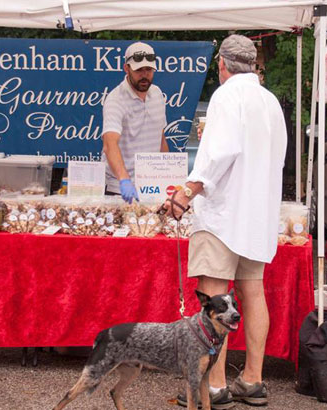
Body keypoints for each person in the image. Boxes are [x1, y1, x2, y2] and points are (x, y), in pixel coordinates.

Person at [163, 34, 287, 408]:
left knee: (216, 296)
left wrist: (186, 192)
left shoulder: (227, 95)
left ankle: (215, 386)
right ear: (253, 64)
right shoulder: (269, 101)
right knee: (252, 292)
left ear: (222, 65)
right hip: (257, 213)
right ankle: (253, 379)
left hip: (224, 213)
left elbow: (218, 153)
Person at [102, 41, 169, 203]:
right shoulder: (115, 99)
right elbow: (110, 144)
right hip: (120, 190)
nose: (144, 75)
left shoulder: (157, 94)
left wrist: (168, 173)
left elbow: (160, 137)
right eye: (139, 70)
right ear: (127, 68)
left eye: (149, 70)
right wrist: (124, 180)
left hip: (153, 186)